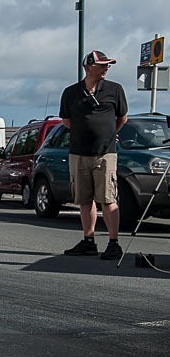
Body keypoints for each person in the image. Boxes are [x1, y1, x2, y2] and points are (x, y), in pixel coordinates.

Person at [60, 50, 128, 260]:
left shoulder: (115, 90)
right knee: (84, 199)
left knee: (108, 198)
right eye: (102, 65)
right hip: (79, 153)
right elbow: (66, 120)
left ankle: (113, 242)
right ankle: (88, 241)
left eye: (108, 65)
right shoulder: (71, 92)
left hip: (105, 154)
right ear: (89, 67)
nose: (106, 68)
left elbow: (122, 118)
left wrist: (108, 135)